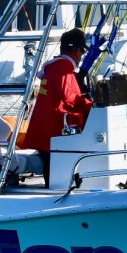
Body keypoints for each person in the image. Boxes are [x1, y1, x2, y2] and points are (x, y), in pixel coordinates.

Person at [22, 27, 94, 187]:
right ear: (76, 52)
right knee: (54, 173)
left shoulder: (54, 67)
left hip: (43, 131)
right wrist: (93, 107)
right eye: (82, 53)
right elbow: (70, 99)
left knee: (50, 168)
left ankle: (51, 190)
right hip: (52, 133)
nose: (81, 57)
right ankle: (53, 195)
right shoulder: (63, 69)